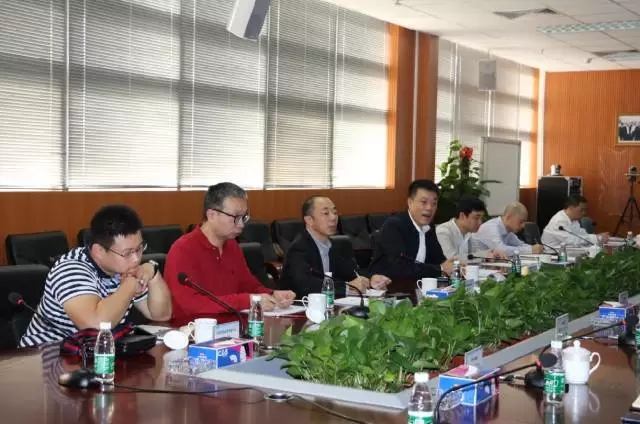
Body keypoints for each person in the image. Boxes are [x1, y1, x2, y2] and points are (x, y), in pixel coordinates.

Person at [20, 205, 172, 347]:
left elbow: (161, 315)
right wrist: (129, 286)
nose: (136, 259)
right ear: (98, 251)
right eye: (127, 253)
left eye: (139, 249)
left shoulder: (122, 267)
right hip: (42, 356)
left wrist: (153, 273)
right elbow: (95, 326)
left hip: (91, 354)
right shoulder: (71, 269)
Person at [164, 182, 295, 326]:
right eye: (236, 217)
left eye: (244, 217)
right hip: (193, 331)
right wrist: (248, 301)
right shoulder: (183, 249)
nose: (241, 224)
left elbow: (248, 285)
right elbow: (191, 304)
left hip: (232, 328)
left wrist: (272, 295)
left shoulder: (232, 246)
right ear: (212, 215)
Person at [279, 196, 391, 299]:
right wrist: (348, 288)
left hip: (333, 305)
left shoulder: (338, 246)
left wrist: (371, 279)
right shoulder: (298, 249)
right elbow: (306, 285)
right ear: (309, 220)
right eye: (326, 213)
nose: (333, 218)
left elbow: (352, 273)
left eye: (335, 212)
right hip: (302, 307)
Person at [369, 179, 453, 280]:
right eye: (424, 202)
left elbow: (438, 259)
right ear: (410, 202)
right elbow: (400, 267)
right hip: (388, 286)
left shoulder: (428, 227)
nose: (429, 208)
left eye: (434, 203)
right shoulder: (394, 225)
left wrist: (452, 265)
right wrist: (440, 269)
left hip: (416, 285)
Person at [436, 196, 507, 261]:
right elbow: (452, 260)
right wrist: (485, 255)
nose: (480, 222)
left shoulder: (469, 233)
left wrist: (493, 252)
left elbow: (475, 253)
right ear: (462, 216)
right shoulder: (443, 231)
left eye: (481, 218)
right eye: (476, 218)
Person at [472, 202, 544, 256]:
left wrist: (535, 248)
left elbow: (520, 244)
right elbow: (501, 249)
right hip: (474, 266)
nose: (523, 226)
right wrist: (530, 250)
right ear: (509, 216)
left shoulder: (508, 231)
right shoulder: (491, 227)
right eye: (521, 221)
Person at [541, 195, 608, 248]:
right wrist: (597, 238)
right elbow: (572, 240)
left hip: (567, 250)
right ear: (571, 208)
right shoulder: (559, 221)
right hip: (552, 254)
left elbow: (581, 234)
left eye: (585, 210)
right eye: (582, 210)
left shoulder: (573, 219)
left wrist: (597, 237)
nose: (584, 213)